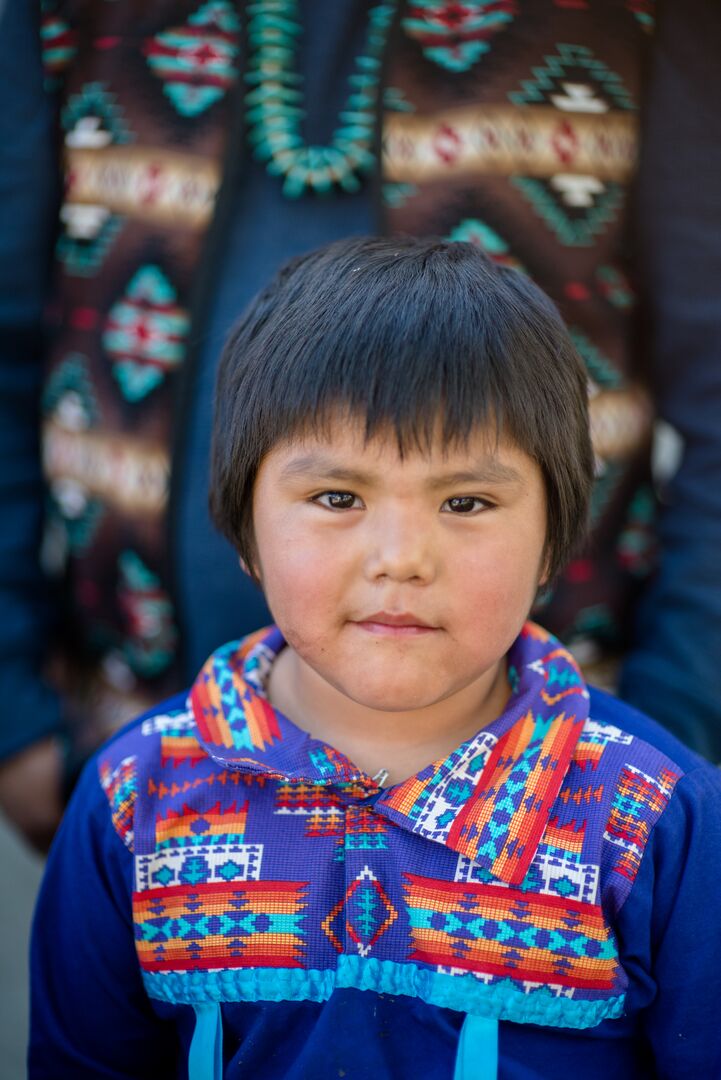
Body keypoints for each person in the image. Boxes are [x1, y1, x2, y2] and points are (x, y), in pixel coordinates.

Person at [2, 0, 721, 853]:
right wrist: (17, 718)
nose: (397, 556)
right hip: (145, 764)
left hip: (553, 792)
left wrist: (673, 719)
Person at [30, 238, 721, 1079]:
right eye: (336, 498)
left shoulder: (652, 818)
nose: (399, 557)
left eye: (466, 501)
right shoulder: (134, 801)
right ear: (244, 527)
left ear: (554, 542)